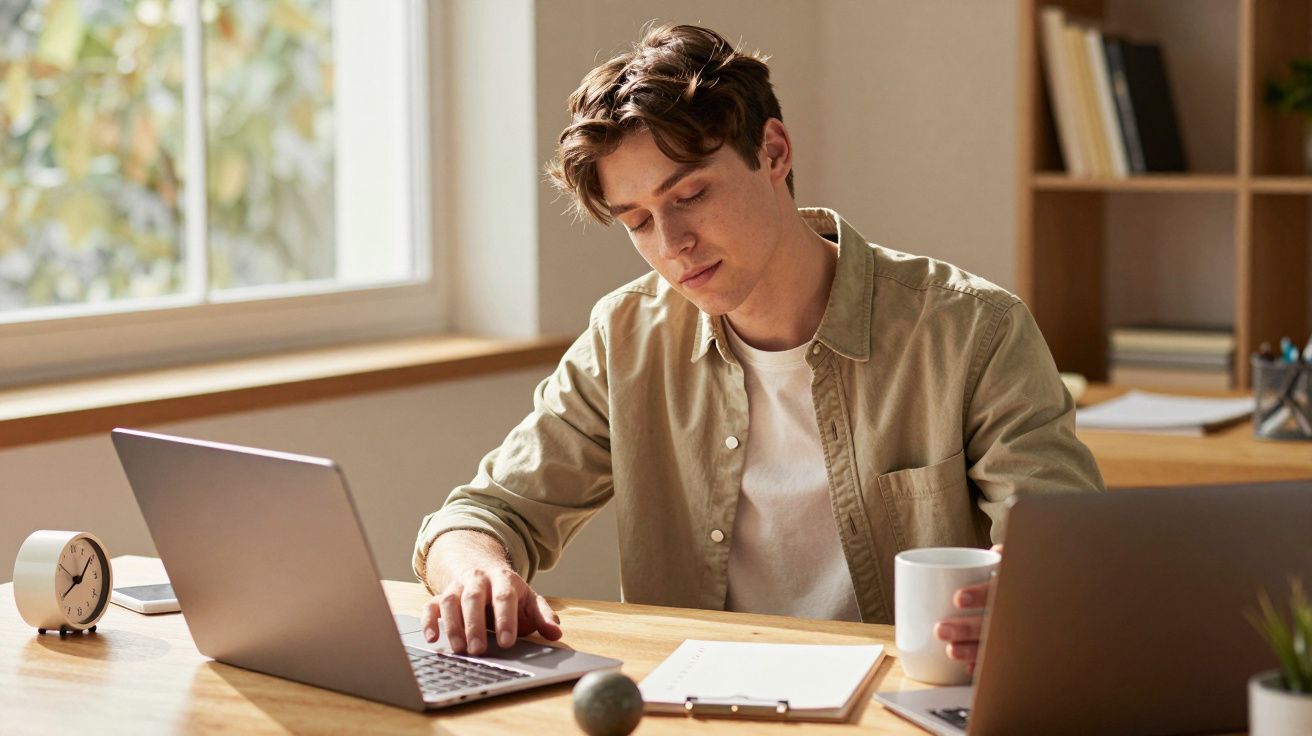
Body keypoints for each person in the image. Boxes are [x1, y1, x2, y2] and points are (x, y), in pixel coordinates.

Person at [412, 23, 1104, 671]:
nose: (671, 244)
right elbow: (480, 515)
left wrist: (1024, 599)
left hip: (900, 704)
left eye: (690, 194)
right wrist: (476, 568)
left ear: (774, 151)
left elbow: (1066, 556)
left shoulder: (971, 330)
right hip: (692, 703)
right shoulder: (625, 338)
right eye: (639, 222)